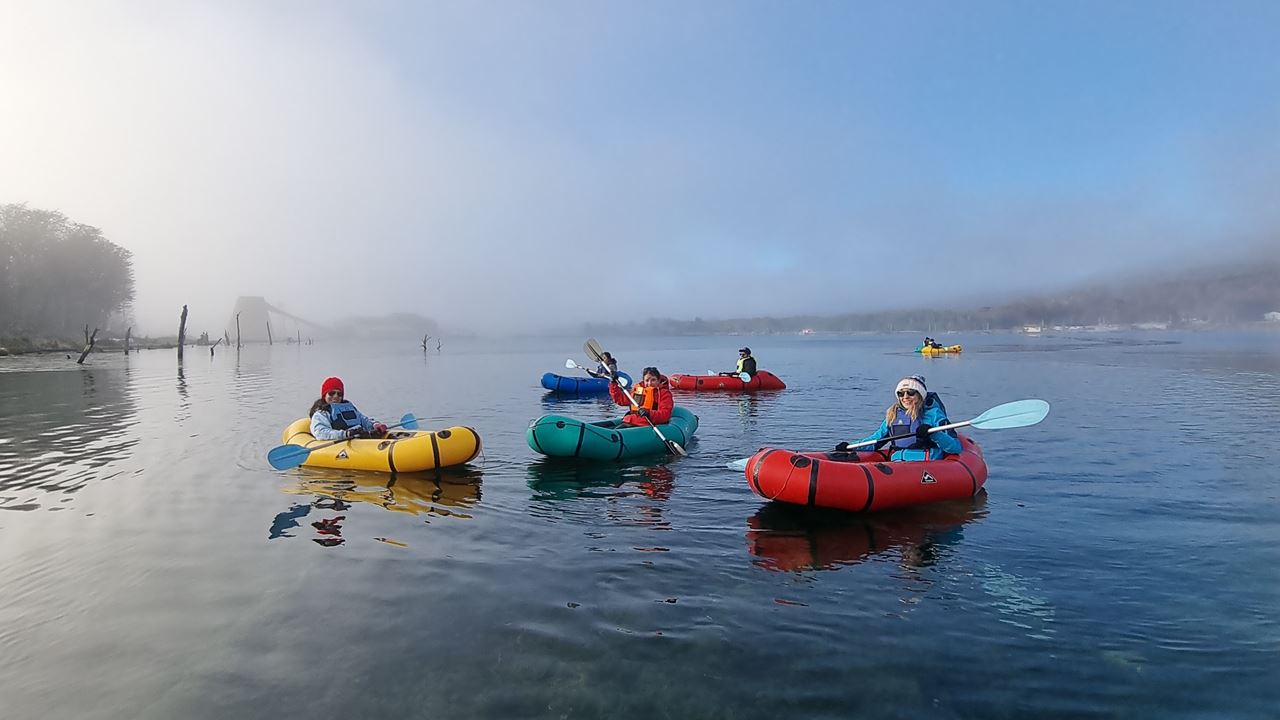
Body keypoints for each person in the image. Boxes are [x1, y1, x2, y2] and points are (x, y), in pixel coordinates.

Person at [836, 375, 961, 461]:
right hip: (898, 464)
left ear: (920, 395)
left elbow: (955, 447)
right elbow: (875, 441)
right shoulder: (893, 415)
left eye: (910, 393)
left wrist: (934, 434)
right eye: (901, 393)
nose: (905, 397)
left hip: (925, 465)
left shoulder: (934, 415)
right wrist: (850, 446)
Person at [309, 376, 388, 440]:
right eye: (331, 393)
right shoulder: (321, 414)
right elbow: (320, 432)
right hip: (343, 443)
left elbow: (363, 420)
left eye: (339, 394)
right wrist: (345, 434)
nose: (335, 396)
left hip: (359, 440)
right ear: (324, 395)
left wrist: (375, 425)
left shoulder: (348, 408)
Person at [608, 366, 674, 426]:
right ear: (643, 381)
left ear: (658, 381)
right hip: (632, 420)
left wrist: (649, 413)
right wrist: (613, 383)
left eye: (653, 380)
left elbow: (665, 414)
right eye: (647, 380)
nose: (650, 383)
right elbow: (620, 400)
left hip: (648, 423)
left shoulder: (664, 394)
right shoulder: (638, 391)